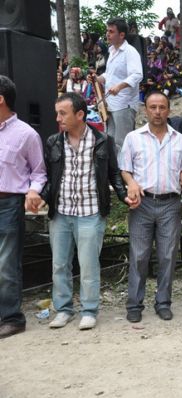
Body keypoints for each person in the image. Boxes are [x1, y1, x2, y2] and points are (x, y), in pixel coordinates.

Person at [40, 93, 133, 330]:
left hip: (91, 212)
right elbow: (50, 178)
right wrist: (40, 196)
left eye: (63, 113)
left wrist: (124, 196)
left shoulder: (103, 140)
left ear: (80, 115)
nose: (58, 118)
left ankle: (89, 310)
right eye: (57, 112)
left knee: (89, 264)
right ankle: (63, 309)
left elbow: (113, 173)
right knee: (59, 264)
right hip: (61, 212)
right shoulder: (53, 142)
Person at [119, 91, 182, 323]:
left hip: (170, 204)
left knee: (167, 255)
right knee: (139, 255)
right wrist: (131, 183)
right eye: (152, 107)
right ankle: (134, 304)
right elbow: (124, 168)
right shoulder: (133, 138)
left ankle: (163, 302)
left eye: (162, 107)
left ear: (169, 110)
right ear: (145, 110)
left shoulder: (180, 140)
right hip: (142, 204)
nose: (157, 112)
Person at [0, 75, 46, 339]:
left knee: (6, 264)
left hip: (8, 203)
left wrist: (32, 191)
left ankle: (12, 318)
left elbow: (39, 172)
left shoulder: (26, 134)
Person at [95, 18, 143, 152]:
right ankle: (113, 172)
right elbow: (109, 75)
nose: (107, 34)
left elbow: (137, 75)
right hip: (110, 104)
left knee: (122, 143)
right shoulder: (111, 51)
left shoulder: (130, 51)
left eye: (111, 31)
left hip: (124, 104)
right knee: (110, 141)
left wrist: (119, 86)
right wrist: (97, 78)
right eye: (107, 31)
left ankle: (123, 172)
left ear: (121, 35)